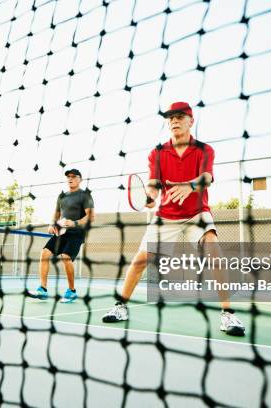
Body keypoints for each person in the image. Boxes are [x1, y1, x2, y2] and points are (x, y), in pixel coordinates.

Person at [101, 101, 245, 336]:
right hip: (166, 215)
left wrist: (190, 186)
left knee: (214, 251)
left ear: (191, 121)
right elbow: (154, 185)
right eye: (171, 118)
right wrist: (149, 196)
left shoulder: (204, 150)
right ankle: (120, 306)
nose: (174, 121)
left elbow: (207, 177)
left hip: (197, 212)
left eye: (180, 116)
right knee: (139, 261)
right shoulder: (157, 153)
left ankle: (228, 315)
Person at [35, 169, 94, 303]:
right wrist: (52, 224)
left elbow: (89, 216)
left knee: (66, 257)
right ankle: (42, 290)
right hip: (61, 233)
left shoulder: (85, 196)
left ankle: (71, 291)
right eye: (68, 176)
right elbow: (56, 214)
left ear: (80, 179)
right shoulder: (62, 196)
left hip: (76, 234)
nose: (70, 178)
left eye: (73, 176)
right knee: (44, 253)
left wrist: (74, 223)